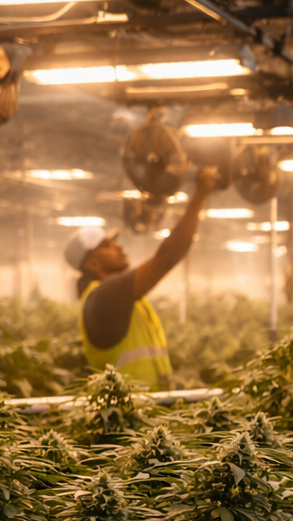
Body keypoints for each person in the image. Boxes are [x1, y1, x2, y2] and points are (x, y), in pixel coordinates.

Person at [64, 165, 220, 391]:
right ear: (93, 264)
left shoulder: (116, 297)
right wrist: (200, 196)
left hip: (148, 415)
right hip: (128, 418)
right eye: (107, 245)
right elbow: (167, 257)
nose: (118, 246)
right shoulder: (105, 297)